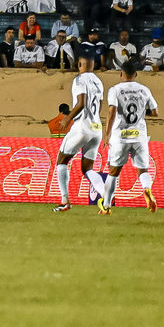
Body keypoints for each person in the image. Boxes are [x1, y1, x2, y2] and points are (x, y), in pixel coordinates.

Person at [99, 60, 159, 215]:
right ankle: (147, 189)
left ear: (121, 74)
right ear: (136, 74)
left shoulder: (115, 90)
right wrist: (140, 113)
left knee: (113, 172)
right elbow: (155, 112)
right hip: (139, 136)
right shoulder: (144, 90)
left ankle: (106, 206)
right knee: (143, 170)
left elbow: (112, 111)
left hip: (121, 136)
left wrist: (107, 134)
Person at [53, 55, 107, 212]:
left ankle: (65, 201)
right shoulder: (98, 81)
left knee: (61, 161)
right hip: (96, 128)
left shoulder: (79, 80)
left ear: (79, 64)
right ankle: (107, 198)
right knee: (87, 169)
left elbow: (81, 103)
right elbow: (100, 103)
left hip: (82, 126)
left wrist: (68, 119)